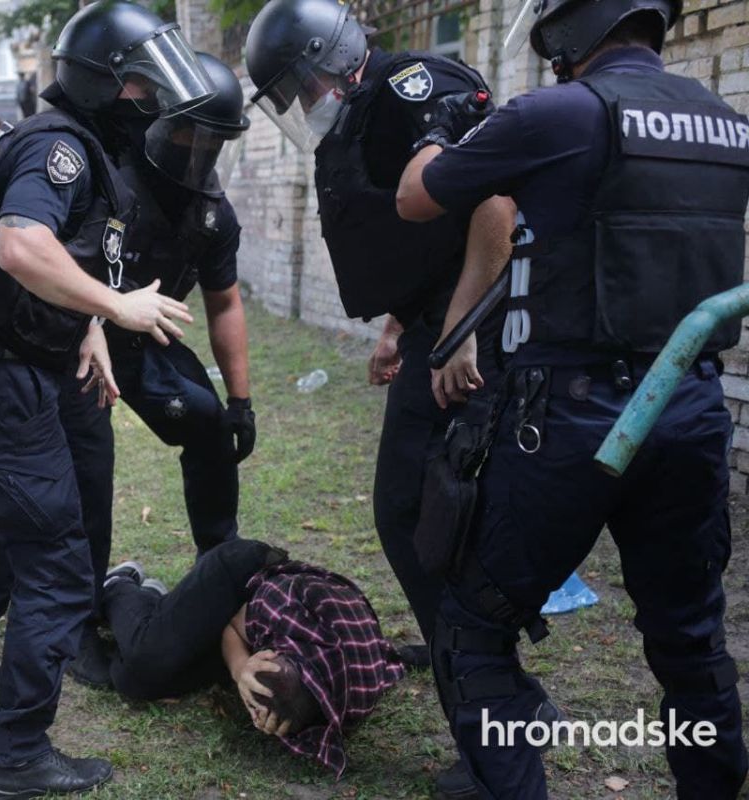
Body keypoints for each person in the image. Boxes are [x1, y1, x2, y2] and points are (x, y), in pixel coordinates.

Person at [394, 0, 749, 797]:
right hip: (690, 406)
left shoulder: (556, 112)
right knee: (690, 638)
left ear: (575, 28)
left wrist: (438, 130)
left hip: (571, 416)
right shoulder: (726, 122)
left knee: (474, 622)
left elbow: (418, 197)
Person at [0, 2, 214, 795]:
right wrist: (118, 310)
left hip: (24, 364)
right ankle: (17, 758)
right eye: (146, 84)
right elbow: (21, 246)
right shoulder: (59, 150)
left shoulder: (90, 153)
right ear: (109, 85)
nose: (157, 101)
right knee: (58, 562)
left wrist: (83, 325)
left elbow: (65, 261)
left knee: (41, 524)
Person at [244, 3, 541, 794]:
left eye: (299, 82)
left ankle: (496, 715)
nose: (300, 100)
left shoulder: (413, 87)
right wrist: (398, 329)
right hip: (435, 326)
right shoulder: (365, 109)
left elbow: (494, 203)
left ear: (327, 60)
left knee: (427, 516)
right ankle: (491, 686)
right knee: (418, 517)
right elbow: (416, 239)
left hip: (475, 330)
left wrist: (461, 328)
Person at [63, 52, 257, 688]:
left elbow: (223, 301)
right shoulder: (108, 179)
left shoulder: (211, 214)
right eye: (188, 131)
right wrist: (93, 325)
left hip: (148, 339)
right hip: (77, 334)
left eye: (213, 140)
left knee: (208, 427)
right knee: (84, 476)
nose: (198, 150)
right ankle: (80, 614)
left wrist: (240, 400)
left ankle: (219, 565)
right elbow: (59, 272)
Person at [102, 539, 405, 775]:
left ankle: (156, 606)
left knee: (135, 682)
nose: (254, 717)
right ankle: (120, 584)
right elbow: (233, 624)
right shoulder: (280, 609)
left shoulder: (356, 691)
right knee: (146, 655)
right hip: (236, 580)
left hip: (263, 632)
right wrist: (239, 668)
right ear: (273, 653)